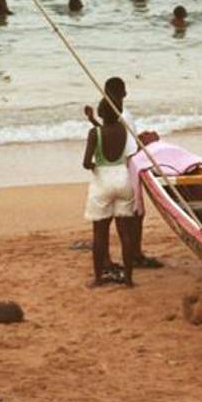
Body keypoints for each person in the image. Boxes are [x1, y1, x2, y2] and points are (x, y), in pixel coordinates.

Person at [82, 98, 136, 287]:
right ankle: (128, 279)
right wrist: (92, 119)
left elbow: (86, 163)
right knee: (125, 233)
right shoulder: (123, 130)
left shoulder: (94, 133)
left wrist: (96, 164)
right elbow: (110, 132)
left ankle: (98, 278)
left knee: (100, 232)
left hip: (102, 182)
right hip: (123, 179)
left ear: (102, 114)